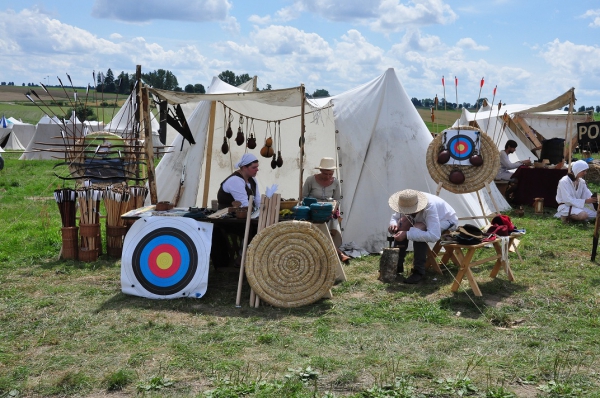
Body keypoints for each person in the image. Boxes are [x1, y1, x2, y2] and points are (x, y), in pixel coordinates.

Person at [388, 189, 458, 284]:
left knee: (419, 230)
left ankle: (419, 271)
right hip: (423, 221)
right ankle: (397, 266)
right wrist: (394, 224)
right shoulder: (406, 202)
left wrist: (407, 234)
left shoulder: (429, 206)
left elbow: (434, 236)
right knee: (402, 225)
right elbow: (395, 217)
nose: (407, 212)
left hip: (446, 220)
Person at [212, 153, 262, 268]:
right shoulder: (235, 180)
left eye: (257, 167)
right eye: (254, 167)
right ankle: (242, 259)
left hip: (245, 218)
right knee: (253, 230)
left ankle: (249, 258)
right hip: (228, 220)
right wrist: (257, 212)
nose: (257, 170)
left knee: (261, 227)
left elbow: (258, 201)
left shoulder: (252, 180)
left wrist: (262, 209)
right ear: (244, 167)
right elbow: (244, 204)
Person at [302, 157, 349, 262]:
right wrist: (315, 205)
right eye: (325, 174)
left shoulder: (335, 182)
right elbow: (303, 197)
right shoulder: (310, 180)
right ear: (320, 171)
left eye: (330, 174)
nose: (328, 176)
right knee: (320, 231)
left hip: (329, 211)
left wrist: (333, 207)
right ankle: (339, 254)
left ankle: (330, 253)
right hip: (313, 211)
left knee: (331, 229)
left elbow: (337, 199)